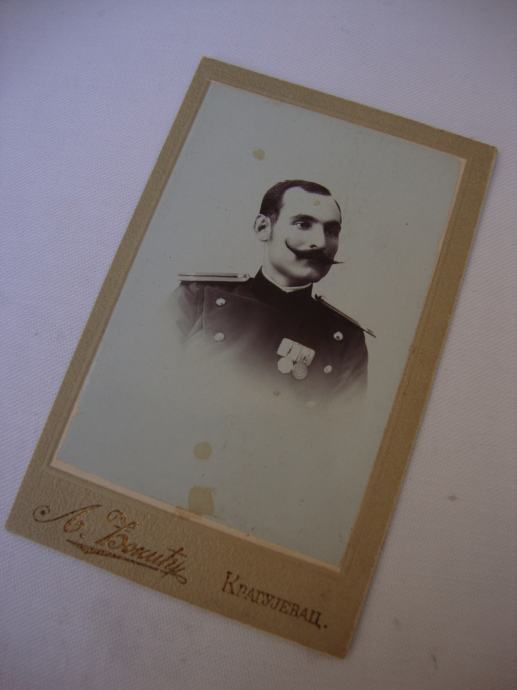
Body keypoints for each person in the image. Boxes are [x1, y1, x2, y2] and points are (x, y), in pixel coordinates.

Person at [171, 180, 371, 404]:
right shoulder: (197, 298)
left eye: (331, 231)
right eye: (303, 224)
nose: (321, 242)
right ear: (263, 228)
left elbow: (344, 422)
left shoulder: (345, 339)